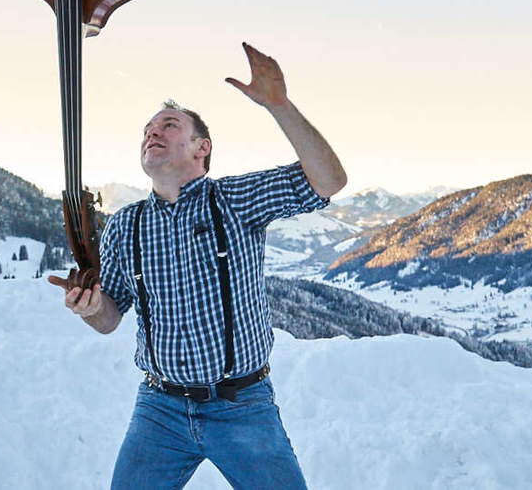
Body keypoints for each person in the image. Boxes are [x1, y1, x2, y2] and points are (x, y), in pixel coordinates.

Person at [60, 42, 347, 490]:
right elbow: (109, 318)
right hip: (159, 411)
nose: (151, 134)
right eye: (147, 130)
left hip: (242, 406)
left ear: (202, 147)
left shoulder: (232, 200)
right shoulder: (126, 225)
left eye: (168, 126)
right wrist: (89, 307)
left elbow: (329, 180)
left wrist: (280, 106)